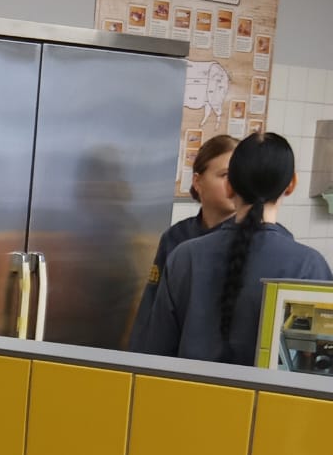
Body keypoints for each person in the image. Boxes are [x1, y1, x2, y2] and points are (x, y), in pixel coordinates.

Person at [138, 131, 331, 365]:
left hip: (183, 389)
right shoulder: (308, 266)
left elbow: (154, 353)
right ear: (291, 184)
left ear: (230, 187)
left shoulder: (184, 257)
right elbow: (317, 364)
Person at [127, 133, 236, 349]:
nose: (235, 185)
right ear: (197, 181)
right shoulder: (176, 237)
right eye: (225, 175)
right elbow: (151, 307)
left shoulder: (254, 241)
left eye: (240, 176)